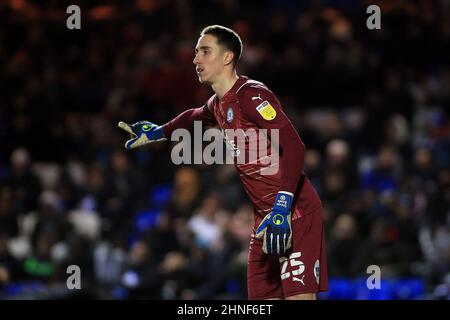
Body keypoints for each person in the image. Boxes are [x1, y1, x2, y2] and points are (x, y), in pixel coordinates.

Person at [118, 25, 327, 300]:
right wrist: (159, 131)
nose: (195, 60)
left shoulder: (252, 95)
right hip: (265, 217)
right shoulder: (217, 104)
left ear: (227, 57)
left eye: (205, 51)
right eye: (195, 53)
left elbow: (294, 148)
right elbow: (192, 116)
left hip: (294, 211)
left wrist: (282, 207)